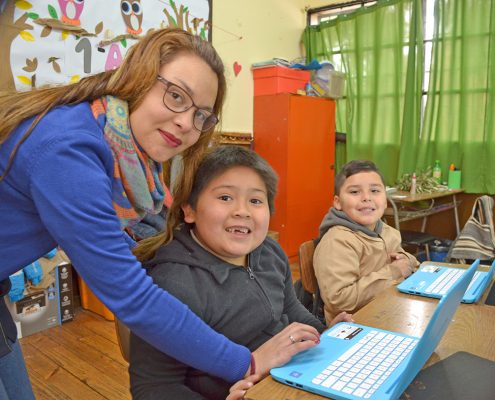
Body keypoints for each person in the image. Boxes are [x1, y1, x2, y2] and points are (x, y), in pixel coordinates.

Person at [0, 28, 309, 399]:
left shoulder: (128, 154)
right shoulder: (68, 150)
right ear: (139, 78)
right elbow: (132, 297)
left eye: (201, 115)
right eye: (176, 96)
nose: (186, 123)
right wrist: (248, 364)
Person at [129, 145, 353, 399]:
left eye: (255, 201)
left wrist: (326, 336)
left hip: (292, 378)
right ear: (189, 210)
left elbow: (291, 309)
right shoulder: (173, 284)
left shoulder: (269, 251)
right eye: (225, 197)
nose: (242, 211)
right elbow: (153, 387)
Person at [314, 160, 419, 323]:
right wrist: (395, 271)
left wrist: (407, 261)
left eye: (375, 190)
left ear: (385, 200)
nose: (366, 198)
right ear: (338, 202)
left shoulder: (385, 230)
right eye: (355, 192)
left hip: (390, 310)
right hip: (357, 325)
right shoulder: (337, 241)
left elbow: (405, 262)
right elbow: (339, 300)